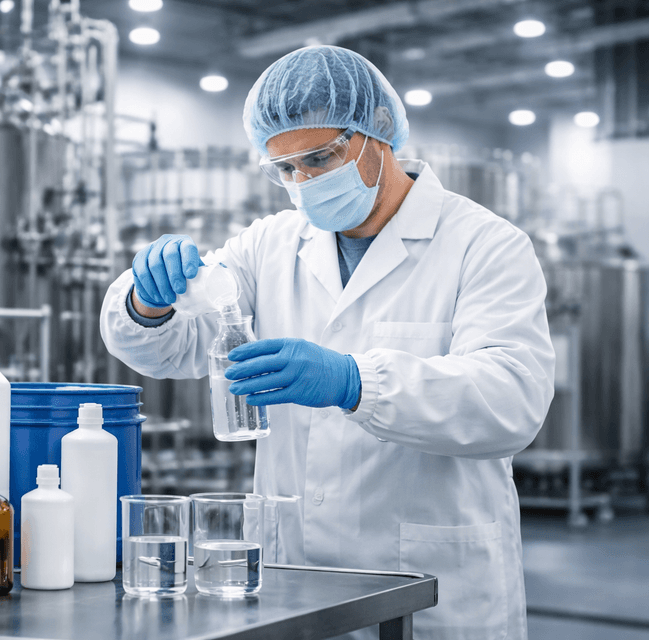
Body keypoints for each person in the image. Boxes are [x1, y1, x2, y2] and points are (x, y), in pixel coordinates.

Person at [100, 45, 554, 640]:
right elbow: (178, 347)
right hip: (297, 581)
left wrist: (355, 382)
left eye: (319, 158)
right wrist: (149, 302)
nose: (303, 182)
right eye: (285, 169)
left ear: (378, 134)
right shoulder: (271, 243)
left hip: (431, 585)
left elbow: (511, 401)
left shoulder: (484, 245)